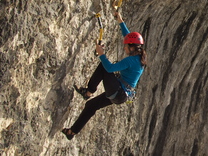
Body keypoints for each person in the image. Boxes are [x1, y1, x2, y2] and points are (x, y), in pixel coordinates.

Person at [62, 10, 147, 140]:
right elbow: (128, 36)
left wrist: (101, 53)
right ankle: (72, 132)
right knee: (91, 106)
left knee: (104, 66)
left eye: (126, 46)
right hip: (120, 94)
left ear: (132, 47)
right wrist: (120, 20)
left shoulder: (131, 61)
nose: (124, 48)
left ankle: (89, 91)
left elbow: (109, 67)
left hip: (119, 91)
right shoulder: (138, 55)